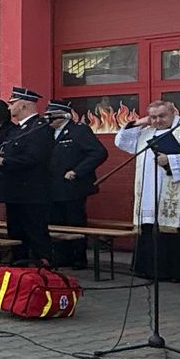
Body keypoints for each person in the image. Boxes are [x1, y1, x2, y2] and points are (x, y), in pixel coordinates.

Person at [117, 99, 180, 282]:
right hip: (150, 193)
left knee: (179, 232)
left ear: (173, 113)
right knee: (151, 228)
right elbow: (122, 142)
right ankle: (150, 270)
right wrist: (139, 122)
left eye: (162, 116)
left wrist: (171, 161)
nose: (157, 121)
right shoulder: (145, 132)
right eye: (153, 117)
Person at [0, 87, 54, 267]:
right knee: (17, 234)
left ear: (24, 105)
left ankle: (44, 269)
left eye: (13, 103)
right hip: (15, 193)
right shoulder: (18, 129)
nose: (10, 106)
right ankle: (20, 270)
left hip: (32, 193)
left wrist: (4, 162)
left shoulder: (39, 127)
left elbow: (34, 158)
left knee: (35, 233)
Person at [47, 100, 109, 269]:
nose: (48, 118)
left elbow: (99, 153)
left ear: (63, 115)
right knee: (56, 221)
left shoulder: (79, 131)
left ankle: (78, 257)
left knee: (74, 221)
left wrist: (77, 170)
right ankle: (61, 255)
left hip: (73, 185)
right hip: (52, 186)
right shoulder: (47, 132)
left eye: (52, 115)